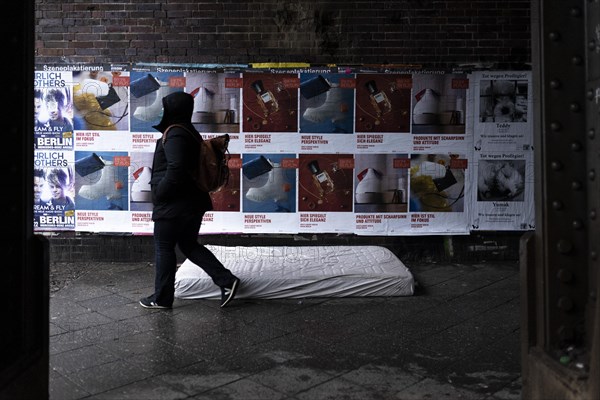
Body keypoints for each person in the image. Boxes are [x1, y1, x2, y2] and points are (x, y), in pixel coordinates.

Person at [140, 91, 240, 309]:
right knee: (187, 243)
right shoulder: (188, 131)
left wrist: (160, 193)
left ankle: (162, 298)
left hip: (174, 204)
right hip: (191, 203)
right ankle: (226, 280)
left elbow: (176, 168)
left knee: (164, 247)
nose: (161, 110)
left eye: (165, 106)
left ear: (172, 109)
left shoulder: (175, 133)